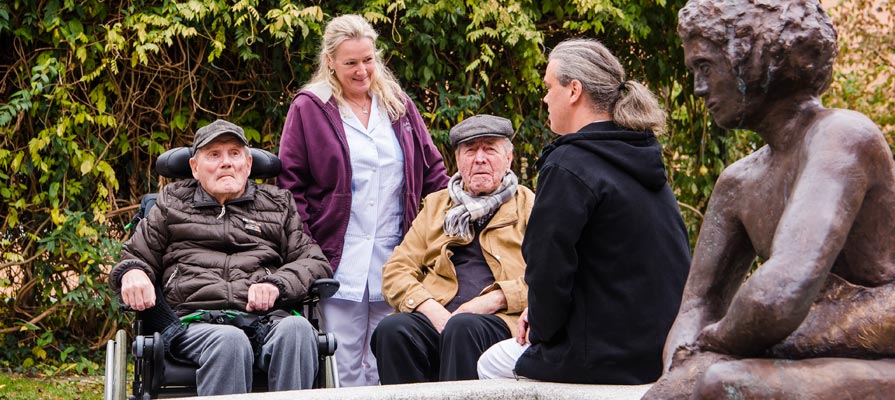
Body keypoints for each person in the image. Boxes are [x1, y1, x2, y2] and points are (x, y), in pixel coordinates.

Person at [644, 1, 895, 398]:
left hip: (894, 362)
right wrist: (678, 373)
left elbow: (778, 295)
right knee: (697, 383)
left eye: (705, 67)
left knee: (722, 384)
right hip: (798, 357)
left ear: (756, 58)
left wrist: (709, 349)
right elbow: (698, 305)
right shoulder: (737, 182)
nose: (699, 88)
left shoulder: (843, 137)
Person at [477, 39, 691, 384]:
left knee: (490, 364)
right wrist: (540, 313)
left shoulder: (570, 164)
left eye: (549, 87)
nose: (545, 98)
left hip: (605, 356)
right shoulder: (639, 156)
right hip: (662, 350)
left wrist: (542, 330)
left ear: (574, 90)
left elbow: (548, 266)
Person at [276, 14, 449, 387]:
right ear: (330, 63)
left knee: (389, 358)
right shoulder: (310, 107)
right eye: (351, 63)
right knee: (342, 367)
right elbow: (291, 187)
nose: (361, 71)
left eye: (368, 60)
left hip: (397, 256)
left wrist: (439, 233)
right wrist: (308, 249)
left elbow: (433, 171)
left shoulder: (398, 106)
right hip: (337, 260)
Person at [109, 119, 331, 395]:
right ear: (194, 167)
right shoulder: (171, 203)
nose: (226, 163)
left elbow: (315, 263)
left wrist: (277, 283)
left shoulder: (278, 204)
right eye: (214, 155)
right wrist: (133, 273)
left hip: (264, 320)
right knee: (229, 341)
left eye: (234, 154)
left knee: (298, 330)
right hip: (193, 323)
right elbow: (134, 257)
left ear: (248, 164)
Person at [370, 114, 534, 384]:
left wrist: (494, 300)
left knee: (463, 327)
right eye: (470, 150)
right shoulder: (437, 206)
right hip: (442, 314)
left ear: (508, 160)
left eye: (489, 149)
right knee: (392, 329)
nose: (479, 158)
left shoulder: (530, 206)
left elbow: (549, 276)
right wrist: (430, 308)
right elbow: (396, 271)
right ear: (458, 161)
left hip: (499, 320)